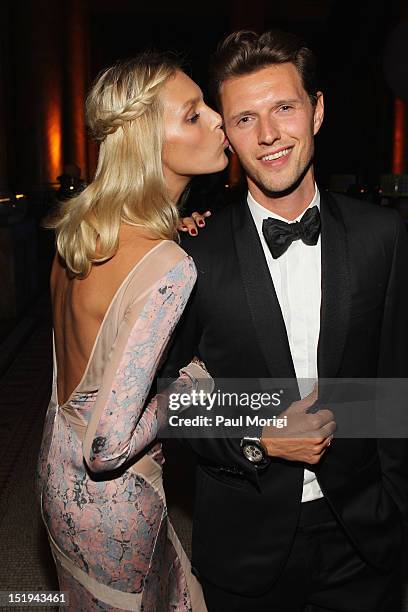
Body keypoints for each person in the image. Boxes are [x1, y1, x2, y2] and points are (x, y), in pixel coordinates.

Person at [161, 30, 408, 611]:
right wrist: (261, 435)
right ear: (226, 134)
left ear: (317, 112)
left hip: (364, 536)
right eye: (245, 119)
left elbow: (396, 383)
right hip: (243, 541)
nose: (269, 135)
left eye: (285, 109)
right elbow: (165, 397)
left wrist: (395, 508)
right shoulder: (191, 256)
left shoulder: (384, 238)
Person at [37, 53, 228, 611]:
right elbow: (107, 449)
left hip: (54, 472)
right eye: (193, 115)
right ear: (149, 141)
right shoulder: (167, 266)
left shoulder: (80, 230)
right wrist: (188, 390)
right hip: (112, 498)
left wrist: (173, 227)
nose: (217, 118)